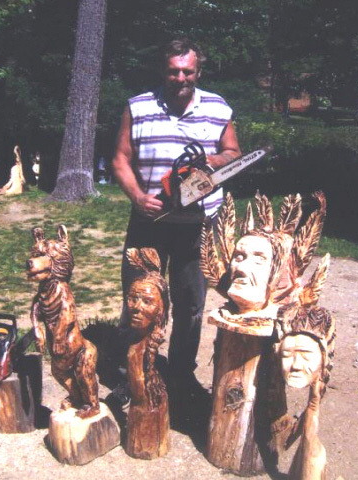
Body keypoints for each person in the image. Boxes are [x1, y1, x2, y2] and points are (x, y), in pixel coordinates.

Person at [112, 38, 241, 401]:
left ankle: (182, 374)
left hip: (198, 224)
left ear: (197, 71)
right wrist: (138, 196)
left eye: (187, 70)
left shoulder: (217, 107)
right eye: (173, 71)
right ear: (163, 71)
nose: (180, 77)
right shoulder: (138, 106)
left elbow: (234, 152)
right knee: (137, 299)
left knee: (191, 303)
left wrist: (210, 163)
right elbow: (120, 159)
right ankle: (133, 371)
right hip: (149, 219)